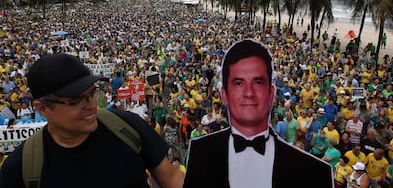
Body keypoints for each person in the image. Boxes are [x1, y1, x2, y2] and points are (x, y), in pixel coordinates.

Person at [0, 53, 184, 188]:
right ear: (43, 108)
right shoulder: (22, 168)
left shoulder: (128, 127)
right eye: (75, 101)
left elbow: (173, 180)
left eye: (90, 94)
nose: (90, 105)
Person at [183, 39, 333, 188]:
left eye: (258, 82)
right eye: (239, 83)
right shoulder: (199, 153)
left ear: (271, 94)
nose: (249, 93)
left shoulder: (315, 173)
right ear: (224, 95)